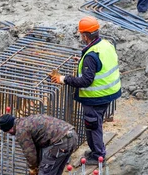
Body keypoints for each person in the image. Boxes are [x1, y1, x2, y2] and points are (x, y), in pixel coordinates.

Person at [51, 17, 121, 165]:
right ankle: (96, 150)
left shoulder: (91, 55)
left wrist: (63, 79)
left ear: (85, 35)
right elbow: (101, 64)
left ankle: (98, 155)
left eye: (81, 35)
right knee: (96, 123)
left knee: (92, 126)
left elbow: (85, 81)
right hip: (109, 93)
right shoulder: (105, 45)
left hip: (96, 97)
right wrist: (83, 62)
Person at [0, 113, 78, 175]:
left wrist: (33, 167)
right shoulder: (26, 121)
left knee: (45, 171)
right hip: (71, 136)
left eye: (8, 131)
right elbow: (38, 145)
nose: (9, 134)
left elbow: (30, 153)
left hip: (60, 142)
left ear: (9, 128)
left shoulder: (21, 131)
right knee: (56, 168)